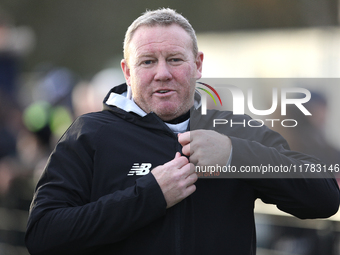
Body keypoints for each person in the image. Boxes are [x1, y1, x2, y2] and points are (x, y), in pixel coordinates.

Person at [25, 8, 339, 255]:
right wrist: (150, 195)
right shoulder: (89, 133)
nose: (162, 73)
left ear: (198, 64)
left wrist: (234, 154)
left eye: (175, 59)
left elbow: (324, 199)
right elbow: (43, 235)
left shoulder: (235, 130)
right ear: (127, 71)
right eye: (148, 61)